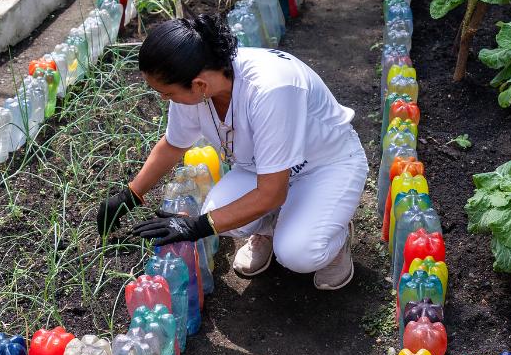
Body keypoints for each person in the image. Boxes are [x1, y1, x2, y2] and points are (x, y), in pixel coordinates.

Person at [95, 15, 368, 290]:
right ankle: (270, 228)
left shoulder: (270, 89)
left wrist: (196, 227)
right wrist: (130, 195)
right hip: (259, 169)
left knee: (298, 253)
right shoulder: (195, 79)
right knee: (221, 218)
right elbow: (174, 144)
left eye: (166, 93)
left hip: (324, 166)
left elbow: (272, 192)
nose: (164, 99)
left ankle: (335, 237)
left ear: (199, 85)